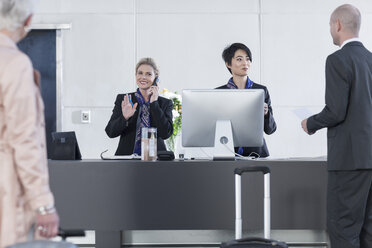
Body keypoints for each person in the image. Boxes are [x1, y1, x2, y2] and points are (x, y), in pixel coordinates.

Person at [301, 4, 372, 248]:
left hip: (349, 162)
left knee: (342, 228)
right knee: (368, 230)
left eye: (331, 25)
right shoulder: (370, 60)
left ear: (338, 25)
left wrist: (310, 123)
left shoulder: (337, 59)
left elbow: (336, 111)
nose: (331, 30)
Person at [0, 0, 60, 247]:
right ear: (27, 21)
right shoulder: (14, 64)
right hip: (7, 185)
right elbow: (23, 139)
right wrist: (43, 204)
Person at [217, 43, 277, 158]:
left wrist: (266, 113)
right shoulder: (219, 93)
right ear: (228, 64)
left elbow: (270, 129)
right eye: (239, 59)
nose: (245, 63)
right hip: (226, 153)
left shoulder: (261, 90)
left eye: (248, 59)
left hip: (258, 155)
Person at [105, 58, 173, 155]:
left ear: (156, 78)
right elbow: (110, 132)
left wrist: (154, 104)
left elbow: (166, 133)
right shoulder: (125, 99)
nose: (143, 77)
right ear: (136, 75)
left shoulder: (164, 103)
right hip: (128, 160)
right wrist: (125, 117)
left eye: (148, 74)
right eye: (140, 73)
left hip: (156, 160)